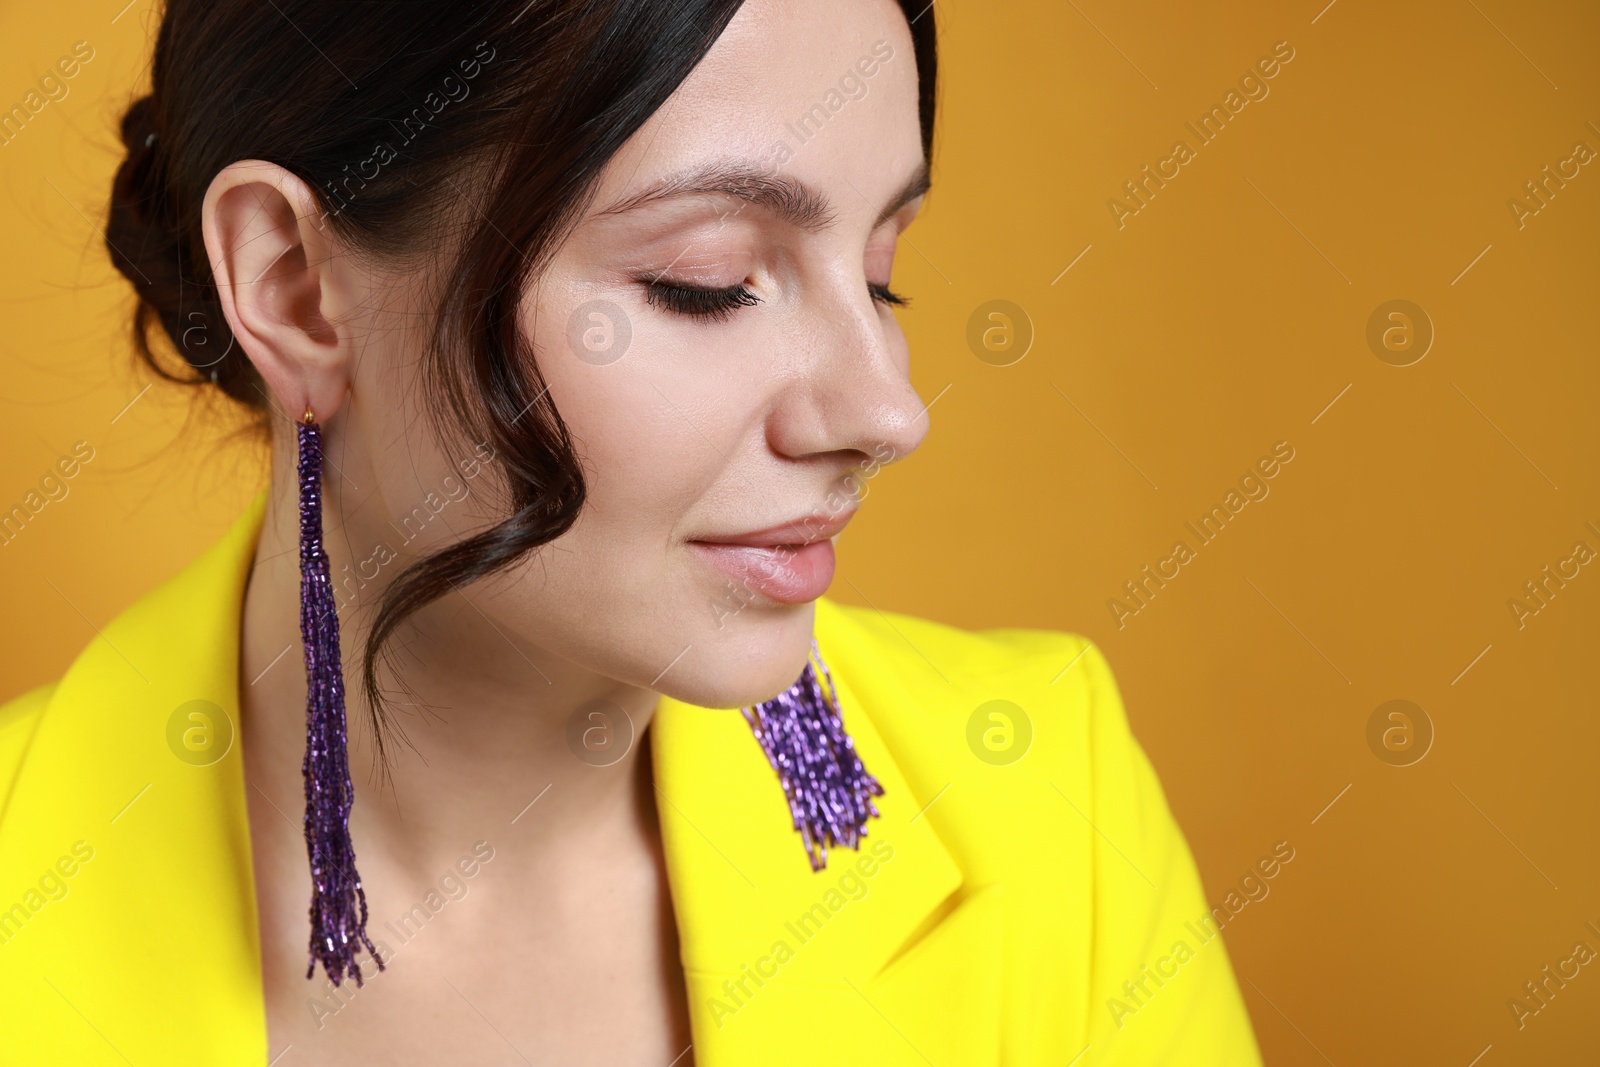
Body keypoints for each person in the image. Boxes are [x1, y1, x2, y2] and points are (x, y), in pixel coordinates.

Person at [0, 0, 1263, 1063]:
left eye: (881, 270)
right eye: (706, 280)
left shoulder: (1044, 798)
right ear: (294, 289)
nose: (887, 407)